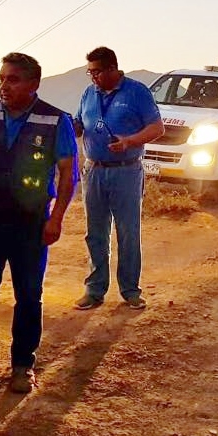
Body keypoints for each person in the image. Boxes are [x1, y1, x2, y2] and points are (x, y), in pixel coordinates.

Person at [0, 52, 77, 394]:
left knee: (28, 296)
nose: (4, 86)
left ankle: (23, 366)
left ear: (33, 85)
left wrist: (57, 218)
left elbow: (68, 172)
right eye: (2, 78)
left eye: (13, 79)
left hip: (30, 223)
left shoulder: (54, 120)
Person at [73, 46, 164, 311]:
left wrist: (129, 142)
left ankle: (130, 291)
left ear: (112, 68)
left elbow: (157, 128)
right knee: (95, 233)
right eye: (89, 72)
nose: (93, 78)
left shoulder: (137, 92)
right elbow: (80, 122)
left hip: (126, 170)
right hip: (94, 170)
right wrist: (74, 127)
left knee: (127, 232)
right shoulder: (89, 93)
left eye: (97, 72)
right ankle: (94, 290)